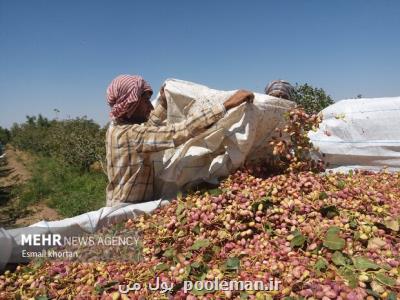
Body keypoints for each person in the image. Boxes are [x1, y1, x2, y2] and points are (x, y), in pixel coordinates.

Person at [105, 74, 254, 206]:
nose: (150, 107)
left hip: (128, 204)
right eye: (145, 101)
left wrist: (163, 104)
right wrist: (226, 105)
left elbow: (149, 128)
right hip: (123, 210)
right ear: (131, 104)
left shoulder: (117, 128)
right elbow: (180, 131)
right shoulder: (130, 135)